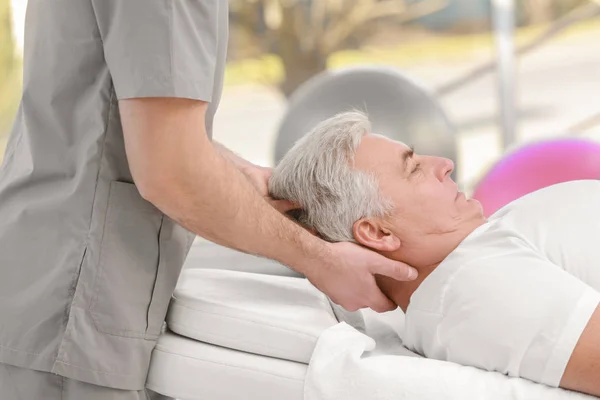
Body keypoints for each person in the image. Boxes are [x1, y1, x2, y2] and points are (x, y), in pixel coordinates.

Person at [0, 2, 419, 399]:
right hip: (70, 309)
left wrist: (238, 175)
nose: (445, 167)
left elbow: (132, 125)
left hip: (45, 275)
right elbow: (170, 171)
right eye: (413, 167)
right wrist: (320, 261)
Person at [269, 110, 600, 398]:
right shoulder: (474, 289)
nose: (444, 164)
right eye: (413, 169)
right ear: (378, 233)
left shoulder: (471, 261)